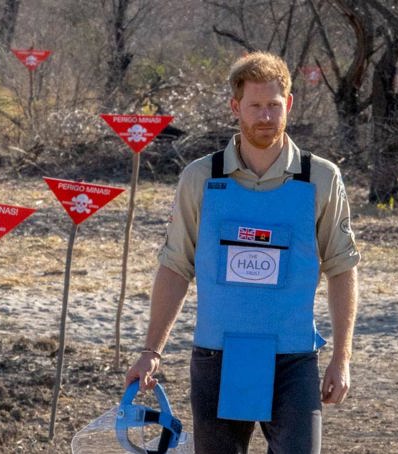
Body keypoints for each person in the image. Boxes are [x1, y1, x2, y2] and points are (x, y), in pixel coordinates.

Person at [124, 52, 360, 453]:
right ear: (236, 107)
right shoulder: (201, 177)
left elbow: (342, 268)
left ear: (289, 104)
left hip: (294, 358)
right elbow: (175, 266)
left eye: (274, 105)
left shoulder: (320, 177)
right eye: (255, 106)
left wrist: (342, 357)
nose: (265, 117)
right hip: (217, 357)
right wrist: (151, 351)